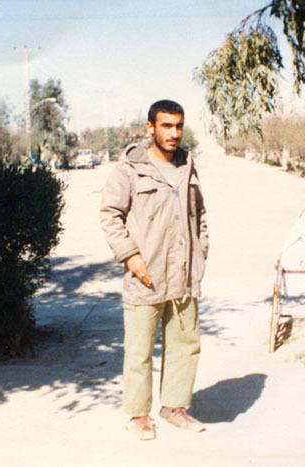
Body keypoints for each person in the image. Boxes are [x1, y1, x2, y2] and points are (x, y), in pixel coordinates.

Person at [99, 99, 209, 440]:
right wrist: (130, 256)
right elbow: (110, 215)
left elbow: (200, 216)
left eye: (179, 126)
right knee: (139, 350)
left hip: (184, 275)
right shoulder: (129, 170)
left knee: (185, 345)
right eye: (166, 126)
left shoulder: (187, 166)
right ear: (150, 128)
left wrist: (201, 252)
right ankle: (139, 415)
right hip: (145, 276)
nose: (174, 133)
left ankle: (174, 408)